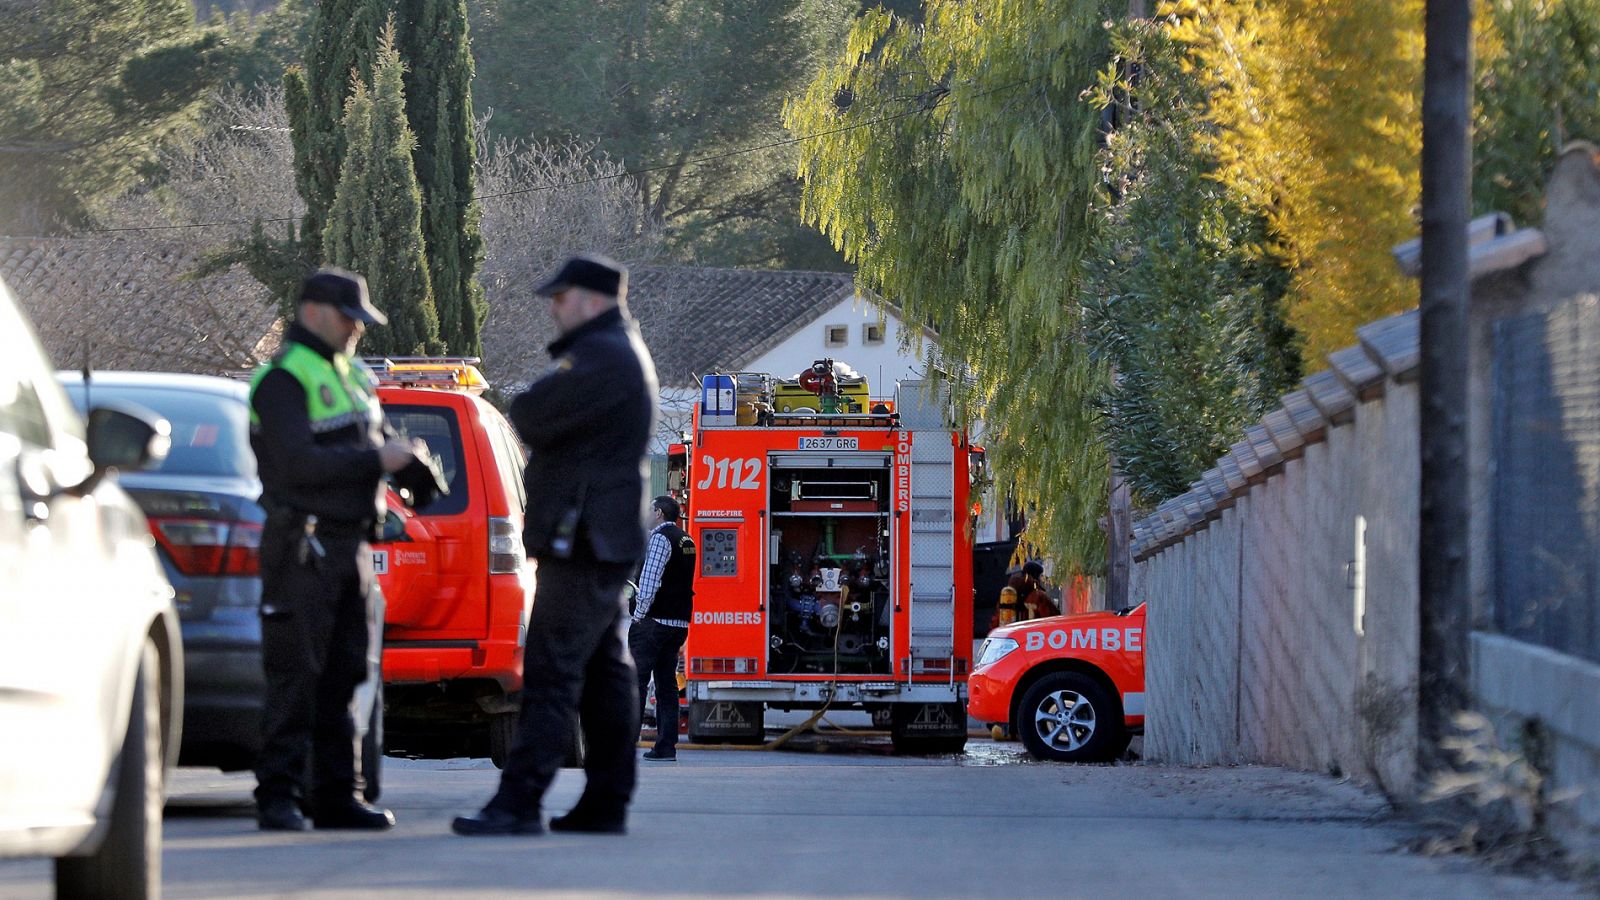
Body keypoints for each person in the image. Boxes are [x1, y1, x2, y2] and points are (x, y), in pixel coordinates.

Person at [453, 253, 658, 837]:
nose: (553, 308)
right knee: (602, 675)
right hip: (598, 534)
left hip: (585, 537)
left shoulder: (602, 357)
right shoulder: (617, 353)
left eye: (561, 298)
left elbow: (531, 413)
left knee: (550, 671)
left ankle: (519, 802)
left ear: (592, 301)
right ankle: (607, 800)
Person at [249, 268, 428, 832]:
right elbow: (295, 464)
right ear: (314, 313)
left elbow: (369, 452)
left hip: (352, 546)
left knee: (346, 674)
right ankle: (277, 797)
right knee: (296, 674)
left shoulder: (352, 376)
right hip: (302, 543)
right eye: (350, 318)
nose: (357, 329)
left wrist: (409, 469)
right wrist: (378, 460)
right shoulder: (282, 379)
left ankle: (337, 796)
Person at [630, 495, 696, 761]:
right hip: (677, 624)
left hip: (654, 623)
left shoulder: (660, 538)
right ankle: (666, 746)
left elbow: (649, 584)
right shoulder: (685, 539)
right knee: (667, 685)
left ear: (658, 513)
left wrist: (638, 615)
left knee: (636, 683)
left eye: (649, 509)